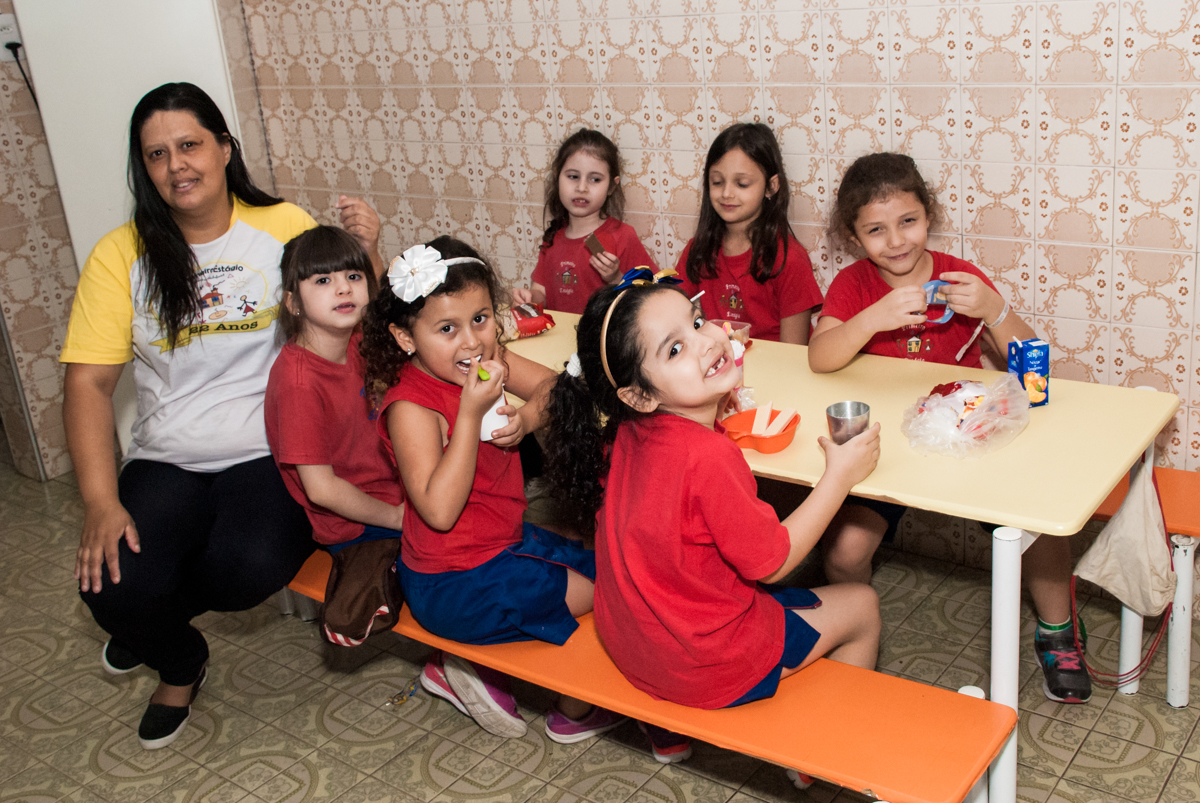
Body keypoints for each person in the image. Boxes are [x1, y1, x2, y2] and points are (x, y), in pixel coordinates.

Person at [60, 82, 383, 750]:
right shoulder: (121, 255)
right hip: (166, 455)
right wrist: (99, 499)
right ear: (143, 170)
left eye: (189, 145)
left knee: (247, 569)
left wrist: (370, 247)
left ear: (223, 149)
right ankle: (180, 662)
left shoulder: (283, 227)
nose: (176, 164)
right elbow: (88, 385)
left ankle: (157, 622)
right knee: (111, 583)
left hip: (271, 447)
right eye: (156, 154)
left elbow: (356, 318)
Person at [542, 272, 881, 769]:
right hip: (705, 665)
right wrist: (840, 476)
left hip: (635, 646)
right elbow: (775, 562)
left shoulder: (627, 433)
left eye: (697, 321)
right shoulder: (708, 457)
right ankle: (822, 757)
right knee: (862, 605)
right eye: (675, 350)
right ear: (638, 395)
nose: (706, 342)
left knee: (782, 600)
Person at [810, 151, 1090, 705]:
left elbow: (1031, 360)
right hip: (888, 448)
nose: (896, 241)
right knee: (843, 549)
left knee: (1036, 528)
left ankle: (1059, 633)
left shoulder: (961, 278)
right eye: (876, 230)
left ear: (929, 216)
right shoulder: (853, 285)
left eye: (908, 222)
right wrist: (872, 318)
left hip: (966, 436)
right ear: (853, 236)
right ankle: (849, 630)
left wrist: (995, 307)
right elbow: (820, 357)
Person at [360, 236, 624, 743]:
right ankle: (560, 700)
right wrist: (470, 414)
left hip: (504, 543)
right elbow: (438, 510)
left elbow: (554, 387)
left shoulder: (488, 357)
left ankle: (475, 665)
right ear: (404, 337)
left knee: (614, 564)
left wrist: (525, 418)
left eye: (480, 319)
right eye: (446, 328)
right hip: (453, 581)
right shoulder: (410, 408)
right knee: (608, 594)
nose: (472, 343)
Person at [264, 226, 405, 646]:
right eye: (323, 280)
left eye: (353, 277)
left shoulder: (359, 340)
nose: (343, 288)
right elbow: (322, 489)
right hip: (358, 520)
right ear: (293, 302)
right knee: (453, 564)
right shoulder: (299, 383)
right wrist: (397, 517)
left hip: (395, 489)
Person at [676, 123, 822, 344]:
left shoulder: (789, 259)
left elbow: (793, 355)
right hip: (720, 368)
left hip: (774, 373)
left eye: (741, 184)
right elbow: (672, 308)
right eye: (717, 182)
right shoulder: (698, 249)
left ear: (771, 187)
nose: (726, 193)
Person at [512, 129, 657, 313]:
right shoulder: (553, 237)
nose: (582, 188)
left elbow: (653, 295)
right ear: (557, 176)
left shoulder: (622, 236)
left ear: (612, 186)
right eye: (573, 177)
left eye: (595, 179)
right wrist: (529, 300)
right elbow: (541, 291)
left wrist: (616, 278)